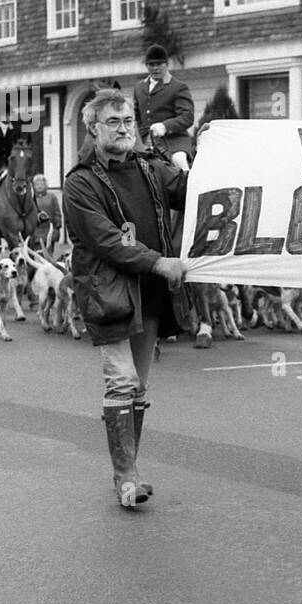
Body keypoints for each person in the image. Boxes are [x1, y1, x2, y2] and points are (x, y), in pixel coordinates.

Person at [62, 89, 188, 508]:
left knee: (139, 387)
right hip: (111, 293)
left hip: (151, 293)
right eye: (112, 122)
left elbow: (193, 192)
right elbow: (106, 241)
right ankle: (126, 478)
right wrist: (159, 262)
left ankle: (129, 469)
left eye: (128, 120)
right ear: (93, 129)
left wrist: (205, 157)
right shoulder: (79, 183)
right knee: (121, 380)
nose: (123, 129)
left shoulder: (152, 169)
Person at [133, 45, 194, 171]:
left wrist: (165, 126)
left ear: (167, 64)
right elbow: (136, 116)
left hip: (173, 140)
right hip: (146, 141)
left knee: (179, 161)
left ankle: (188, 185)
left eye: (159, 64)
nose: (155, 68)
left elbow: (187, 116)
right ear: (146, 65)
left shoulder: (178, 87)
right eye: (151, 64)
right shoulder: (139, 87)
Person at [32, 174, 63, 252]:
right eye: (37, 184)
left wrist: (58, 226)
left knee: (49, 255)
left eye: (41, 184)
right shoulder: (31, 198)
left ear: (45, 185)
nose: (39, 186)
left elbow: (57, 212)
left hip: (50, 231)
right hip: (36, 232)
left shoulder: (52, 197)